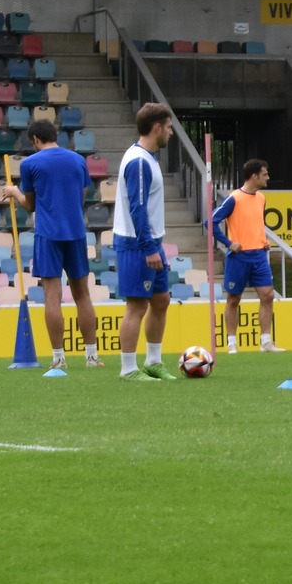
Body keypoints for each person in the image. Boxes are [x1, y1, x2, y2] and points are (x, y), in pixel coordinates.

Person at [11, 118, 102, 376]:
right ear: (55, 135)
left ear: (36, 140)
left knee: (53, 297)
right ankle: (92, 356)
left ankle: (58, 359)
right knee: (82, 295)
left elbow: (29, 205)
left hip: (48, 234)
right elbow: (81, 196)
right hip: (75, 232)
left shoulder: (30, 163)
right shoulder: (78, 160)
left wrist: (13, 192)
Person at [116, 102, 179, 381]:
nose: (171, 133)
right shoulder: (139, 161)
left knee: (161, 300)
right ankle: (128, 369)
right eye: (168, 127)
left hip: (151, 241)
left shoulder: (148, 158)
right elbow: (137, 208)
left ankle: (153, 361)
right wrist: (150, 248)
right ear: (157, 128)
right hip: (137, 244)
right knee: (137, 305)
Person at [211, 158, 287, 354]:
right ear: (254, 176)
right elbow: (210, 221)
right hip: (239, 257)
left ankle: (266, 342)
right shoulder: (234, 198)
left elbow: (255, 222)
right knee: (234, 299)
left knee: (268, 295)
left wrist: (262, 240)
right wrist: (228, 243)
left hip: (259, 256)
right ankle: (232, 343)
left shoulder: (261, 198)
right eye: (265, 174)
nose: (268, 178)